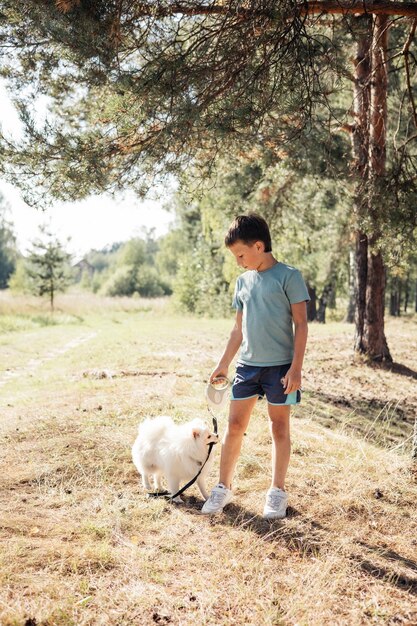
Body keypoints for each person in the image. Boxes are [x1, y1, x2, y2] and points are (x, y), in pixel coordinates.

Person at [201, 213, 309, 518]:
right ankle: (223, 486)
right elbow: (238, 329)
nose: (238, 262)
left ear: (259, 246)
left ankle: (277, 491)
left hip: (281, 369)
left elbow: (301, 325)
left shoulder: (290, 276)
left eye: (240, 255)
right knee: (235, 426)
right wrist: (223, 364)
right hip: (247, 368)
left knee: (279, 427)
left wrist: (296, 368)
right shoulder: (242, 282)